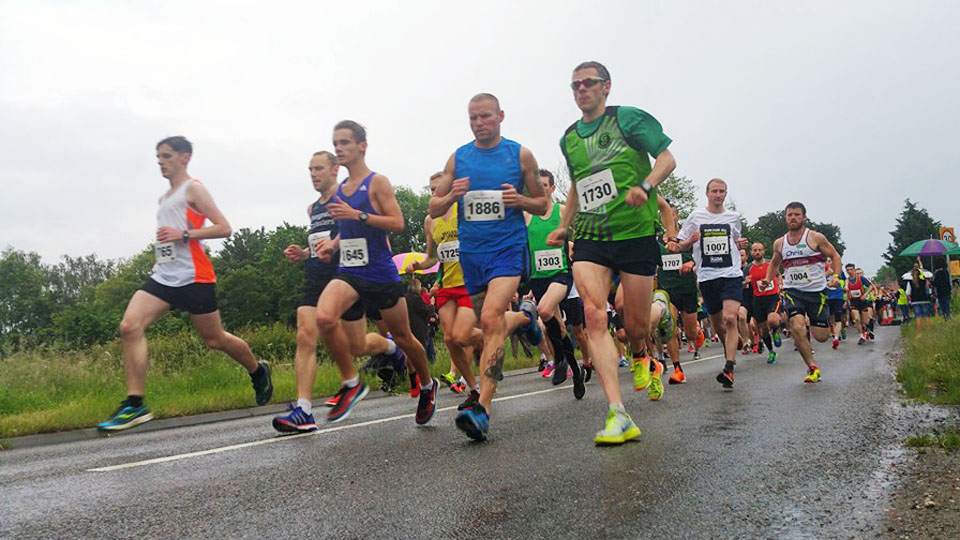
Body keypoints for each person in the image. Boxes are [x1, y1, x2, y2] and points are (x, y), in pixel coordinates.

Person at [98, 136, 273, 433]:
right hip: (164, 276)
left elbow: (224, 228)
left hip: (195, 277)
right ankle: (134, 404)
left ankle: (258, 370)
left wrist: (184, 235)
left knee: (214, 340)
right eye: (158, 157)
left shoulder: (194, 189)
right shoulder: (164, 199)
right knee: (129, 326)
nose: (161, 162)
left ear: (184, 157)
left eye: (166, 156)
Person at [547, 60, 676, 445]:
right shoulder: (569, 138)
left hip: (635, 233)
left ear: (606, 87)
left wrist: (647, 186)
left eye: (588, 83)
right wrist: (564, 224)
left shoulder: (629, 119)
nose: (581, 90)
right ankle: (618, 413)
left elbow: (667, 158)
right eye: (575, 86)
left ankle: (655, 321)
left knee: (633, 327)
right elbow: (577, 185)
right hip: (591, 237)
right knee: (593, 314)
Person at [429, 93, 548, 441]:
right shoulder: (459, 158)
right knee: (488, 321)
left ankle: (482, 409)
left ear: (500, 116)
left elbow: (542, 204)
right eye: (473, 118)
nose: (479, 123)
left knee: (492, 317)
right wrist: (451, 196)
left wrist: (520, 200)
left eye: (485, 117)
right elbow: (435, 207)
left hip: (507, 249)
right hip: (473, 254)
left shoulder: (519, 154)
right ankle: (526, 318)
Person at [315, 120, 438, 425]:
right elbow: (349, 229)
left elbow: (396, 223)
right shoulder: (340, 190)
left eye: (345, 143)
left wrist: (358, 214)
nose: (340, 149)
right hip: (350, 272)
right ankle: (352, 383)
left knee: (405, 336)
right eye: (336, 144)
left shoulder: (377, 182)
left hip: (380, 274)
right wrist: (332, 244)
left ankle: (426, 384)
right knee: (324, 317)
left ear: (362, 146)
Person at [408, 173, 483, 400]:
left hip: (470, 283)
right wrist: (419, 265)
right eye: (431, 190)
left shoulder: (465, 210)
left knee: (461, 336)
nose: (434, 194)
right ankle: (472, 387)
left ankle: (490, 335)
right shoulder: (430, 220)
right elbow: (432, 257)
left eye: (437, 189)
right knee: (450, 339)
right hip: (447, 286)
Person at [669, 178, 747, 389]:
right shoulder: (696, 217)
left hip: (730, 273)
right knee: (719, 325)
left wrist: (740, 244)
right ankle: (729, 349)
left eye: (722, 191)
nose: (718, 195)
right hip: (707, 277)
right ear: (707, 193)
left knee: (730, 318)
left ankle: (729, 367)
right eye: (714, 191)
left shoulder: (733, 217)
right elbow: (680, 245)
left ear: (725, 193)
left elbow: (736, 239)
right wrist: (690, 241)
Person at [761, 202, 843, 383]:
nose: (793, 218)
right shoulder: (780, 243)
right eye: (790, 215)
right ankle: (812, 368)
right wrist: (768, 279)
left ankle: (816, 330)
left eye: (797, 215)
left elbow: (835, 256)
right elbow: (775, 263)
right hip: (793, 291)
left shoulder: (815, 238)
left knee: (821, 337)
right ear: (785, 218)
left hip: (816, 291)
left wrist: (836, 276)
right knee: (797, 327)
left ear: (804, 217)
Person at [525, 169, 585, 398]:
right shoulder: (527, 214)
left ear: (552, 188)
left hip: (560, 274)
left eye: (544, 185)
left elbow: (582, 231)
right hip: (538, 278)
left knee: (545, 310)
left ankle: (559, 358)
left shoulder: (561, 211)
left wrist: (575, 250)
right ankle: (575, 370)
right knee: (556, 326)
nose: (540, 189)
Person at [656, 198, 698, 383]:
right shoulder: (657, 240)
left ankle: (696, 333)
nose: (668, 218)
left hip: (687, 288)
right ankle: (678, 369)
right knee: (670, 329)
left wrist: (691, 262)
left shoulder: (688, 237)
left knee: (690, 334)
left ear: (676, 216)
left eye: (671, 214)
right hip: (667, 290)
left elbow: (701, 257)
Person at [748, 242, 783, 364]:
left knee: (773, 320)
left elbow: (778, 275)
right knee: (763, 330)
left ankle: (775, 331)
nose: (757, 252)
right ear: (751, 252)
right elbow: (742, 285)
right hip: (758, 300)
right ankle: (771, 351)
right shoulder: (748, 268)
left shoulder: (770, 264)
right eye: (754, 250)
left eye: (759, 250)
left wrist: (780, 285)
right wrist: (745, 282)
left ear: (764, 251)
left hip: (772, 297)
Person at [845, 263, 873, 344]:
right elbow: (847, 288)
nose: (849, 271)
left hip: (862, 301)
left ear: (854, 270)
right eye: (847, 270)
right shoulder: (847, 280)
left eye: (851, 269)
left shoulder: (860, 278)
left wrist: (865, 294)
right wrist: (847, 300)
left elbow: (870, 286)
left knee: (865, 321)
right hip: (854, 301)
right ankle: (861, 336)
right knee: (857, 319)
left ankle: (868, 330)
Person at [824, 256, 847, 349]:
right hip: (827, 297)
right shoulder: (823, 272)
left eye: (830, 261)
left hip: (838, 297)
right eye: (827, 261)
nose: (829, 262)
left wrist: (844, 287)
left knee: (839, 317)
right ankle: (834, 332)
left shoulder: (839, 272)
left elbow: (844, 282)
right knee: (830, 317)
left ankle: (836, 338)